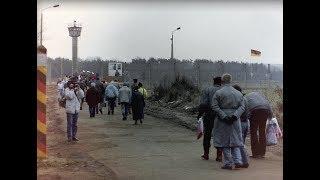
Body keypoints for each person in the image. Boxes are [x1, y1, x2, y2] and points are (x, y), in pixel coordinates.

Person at [211, 73, 246, 170]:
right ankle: (238, 161)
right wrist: (235, 116)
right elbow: (242, 107)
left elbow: (214, 106)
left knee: (224, 142)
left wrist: (224, 116)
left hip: (223, 120)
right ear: (231, 80)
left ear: (222, 81)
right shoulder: (238, 93)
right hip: (235, 119)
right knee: (236, 140)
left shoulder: (218, 93)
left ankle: (228, 163)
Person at [197, 76, 222, 161]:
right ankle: (219, 155)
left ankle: (206, 154)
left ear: (213, 82)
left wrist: (200, 114)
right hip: (220, 115)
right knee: (219, 134)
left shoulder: (207, 90)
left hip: (209, 114)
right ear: (221, 82)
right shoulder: (223, 90)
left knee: (207, 134)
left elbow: (203, 104)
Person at [242, 91, 273, 158]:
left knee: (253, 132)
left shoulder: (245, 97)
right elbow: (268, 104)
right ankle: (262, 153)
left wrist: (246, 117)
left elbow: (245, 109)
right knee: (262, 132)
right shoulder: (261, 95)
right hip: (265, 111)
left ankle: (255, 153)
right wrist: (270, 116)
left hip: (255, 111)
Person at [232, 84, 249, 168]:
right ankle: (241, 159)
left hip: (240, 123)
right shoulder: (245, 98)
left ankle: (242, 161)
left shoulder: (239, 99)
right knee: (242, 142)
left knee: (239, 142)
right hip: (246, 122)